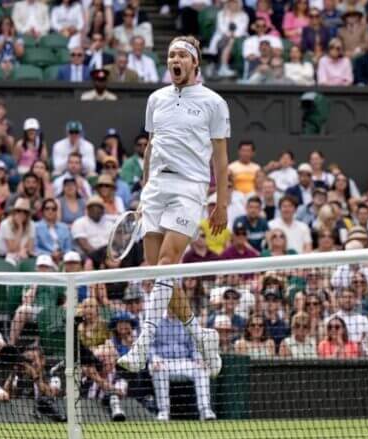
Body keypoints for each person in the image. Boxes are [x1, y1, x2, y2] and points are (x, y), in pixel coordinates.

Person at [113, 36, 229, 378]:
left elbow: (221, 159)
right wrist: (144, 190)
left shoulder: (213, 103)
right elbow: (151, 146)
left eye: (181, 55)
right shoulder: (156, 99)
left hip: (190, 187)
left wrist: (220, 203)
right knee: (157, 271)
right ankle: (200, 334)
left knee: (166, 263)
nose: (174, 60)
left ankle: (142, 346)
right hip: (156, 189)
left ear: (194, 63)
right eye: (170, 55)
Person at [150, 311, 217, 421]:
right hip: (163, 362)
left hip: (185, 362)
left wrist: (199, 359)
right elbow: (149, 345)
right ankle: (163, 411)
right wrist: (154, 359)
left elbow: (194, 346)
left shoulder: (188, 322)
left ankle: (205, 410)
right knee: (158, 370)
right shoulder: (155, 321)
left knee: (202, 370)